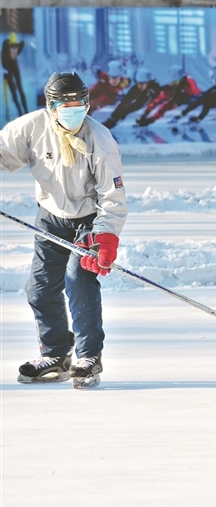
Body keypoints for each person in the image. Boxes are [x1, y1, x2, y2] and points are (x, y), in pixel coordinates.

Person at [0, 71, 128, 390]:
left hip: (88, 221)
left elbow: (112, 196)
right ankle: (56, 353)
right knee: (40, 289)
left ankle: (88, 357)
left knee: (78, 280)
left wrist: (106, 238)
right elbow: (3, 153)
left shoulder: (100, 139)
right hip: (50, 217)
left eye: (79, 103)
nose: (73, 108)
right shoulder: (32, 127)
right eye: (65, 103)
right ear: (51, 105)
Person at [136, 64, 201, 126]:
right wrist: (145, 114)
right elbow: (160, 97)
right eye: (173, 80)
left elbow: (195, 93)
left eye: (175, 81)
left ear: (181, 78)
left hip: (185, 96)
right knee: (158, 99)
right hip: (176, 90)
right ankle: (144, 116)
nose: (174, 82)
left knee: (165, 107)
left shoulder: (190, 83)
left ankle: (151, 120)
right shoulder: (174, 83)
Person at [2, 32, 29, 119]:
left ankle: (25, 111)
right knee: (14, 93)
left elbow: (23, 43)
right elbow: (3, 66)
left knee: (20, 89)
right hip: (7, 71)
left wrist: (22, 41)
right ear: (8, 48)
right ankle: (20, 111)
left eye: (16, 48)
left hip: (14, 68)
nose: (14, 52)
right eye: (12, 49)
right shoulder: (4, 54)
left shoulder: (17, 48)